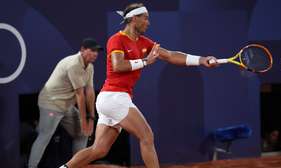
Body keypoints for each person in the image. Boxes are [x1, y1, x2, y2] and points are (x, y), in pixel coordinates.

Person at [60, 3, 218, 168]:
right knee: (147, 136)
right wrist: (145, 61)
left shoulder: (144, 42)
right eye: (145, 18)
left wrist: (201, 60)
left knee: (99, 149)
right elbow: (117, 65)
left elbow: (170, 55)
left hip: (111, 99)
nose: (148, 23)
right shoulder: (116, 39)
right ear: (134, 19)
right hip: (114, 98)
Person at [28, 38, 103, 168]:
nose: (95, 54)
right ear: (82, 50)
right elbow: (80, 95)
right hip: (50, 103)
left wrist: (91, 118)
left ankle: (76, 165)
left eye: (97, 51)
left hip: (66, 105)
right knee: (45, 135)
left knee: (82, 133)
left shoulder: (90, 67)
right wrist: (84, 121)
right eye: (92, 50)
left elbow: (89, 92)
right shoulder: (73, 64)